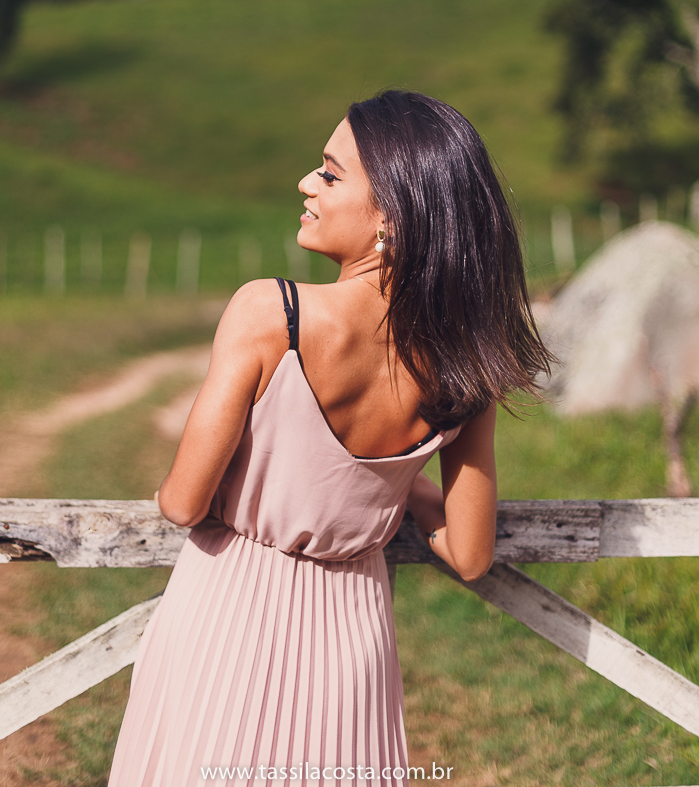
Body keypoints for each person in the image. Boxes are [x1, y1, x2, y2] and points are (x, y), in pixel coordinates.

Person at [109, 90, 549, 786]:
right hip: (352, 643)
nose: (305, 184)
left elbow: (184, 501)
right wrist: (391, 487)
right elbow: (469, 553)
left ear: (393, 217)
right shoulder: (469, 366)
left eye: (330, 174)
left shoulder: (269, 312)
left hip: (226, 618)